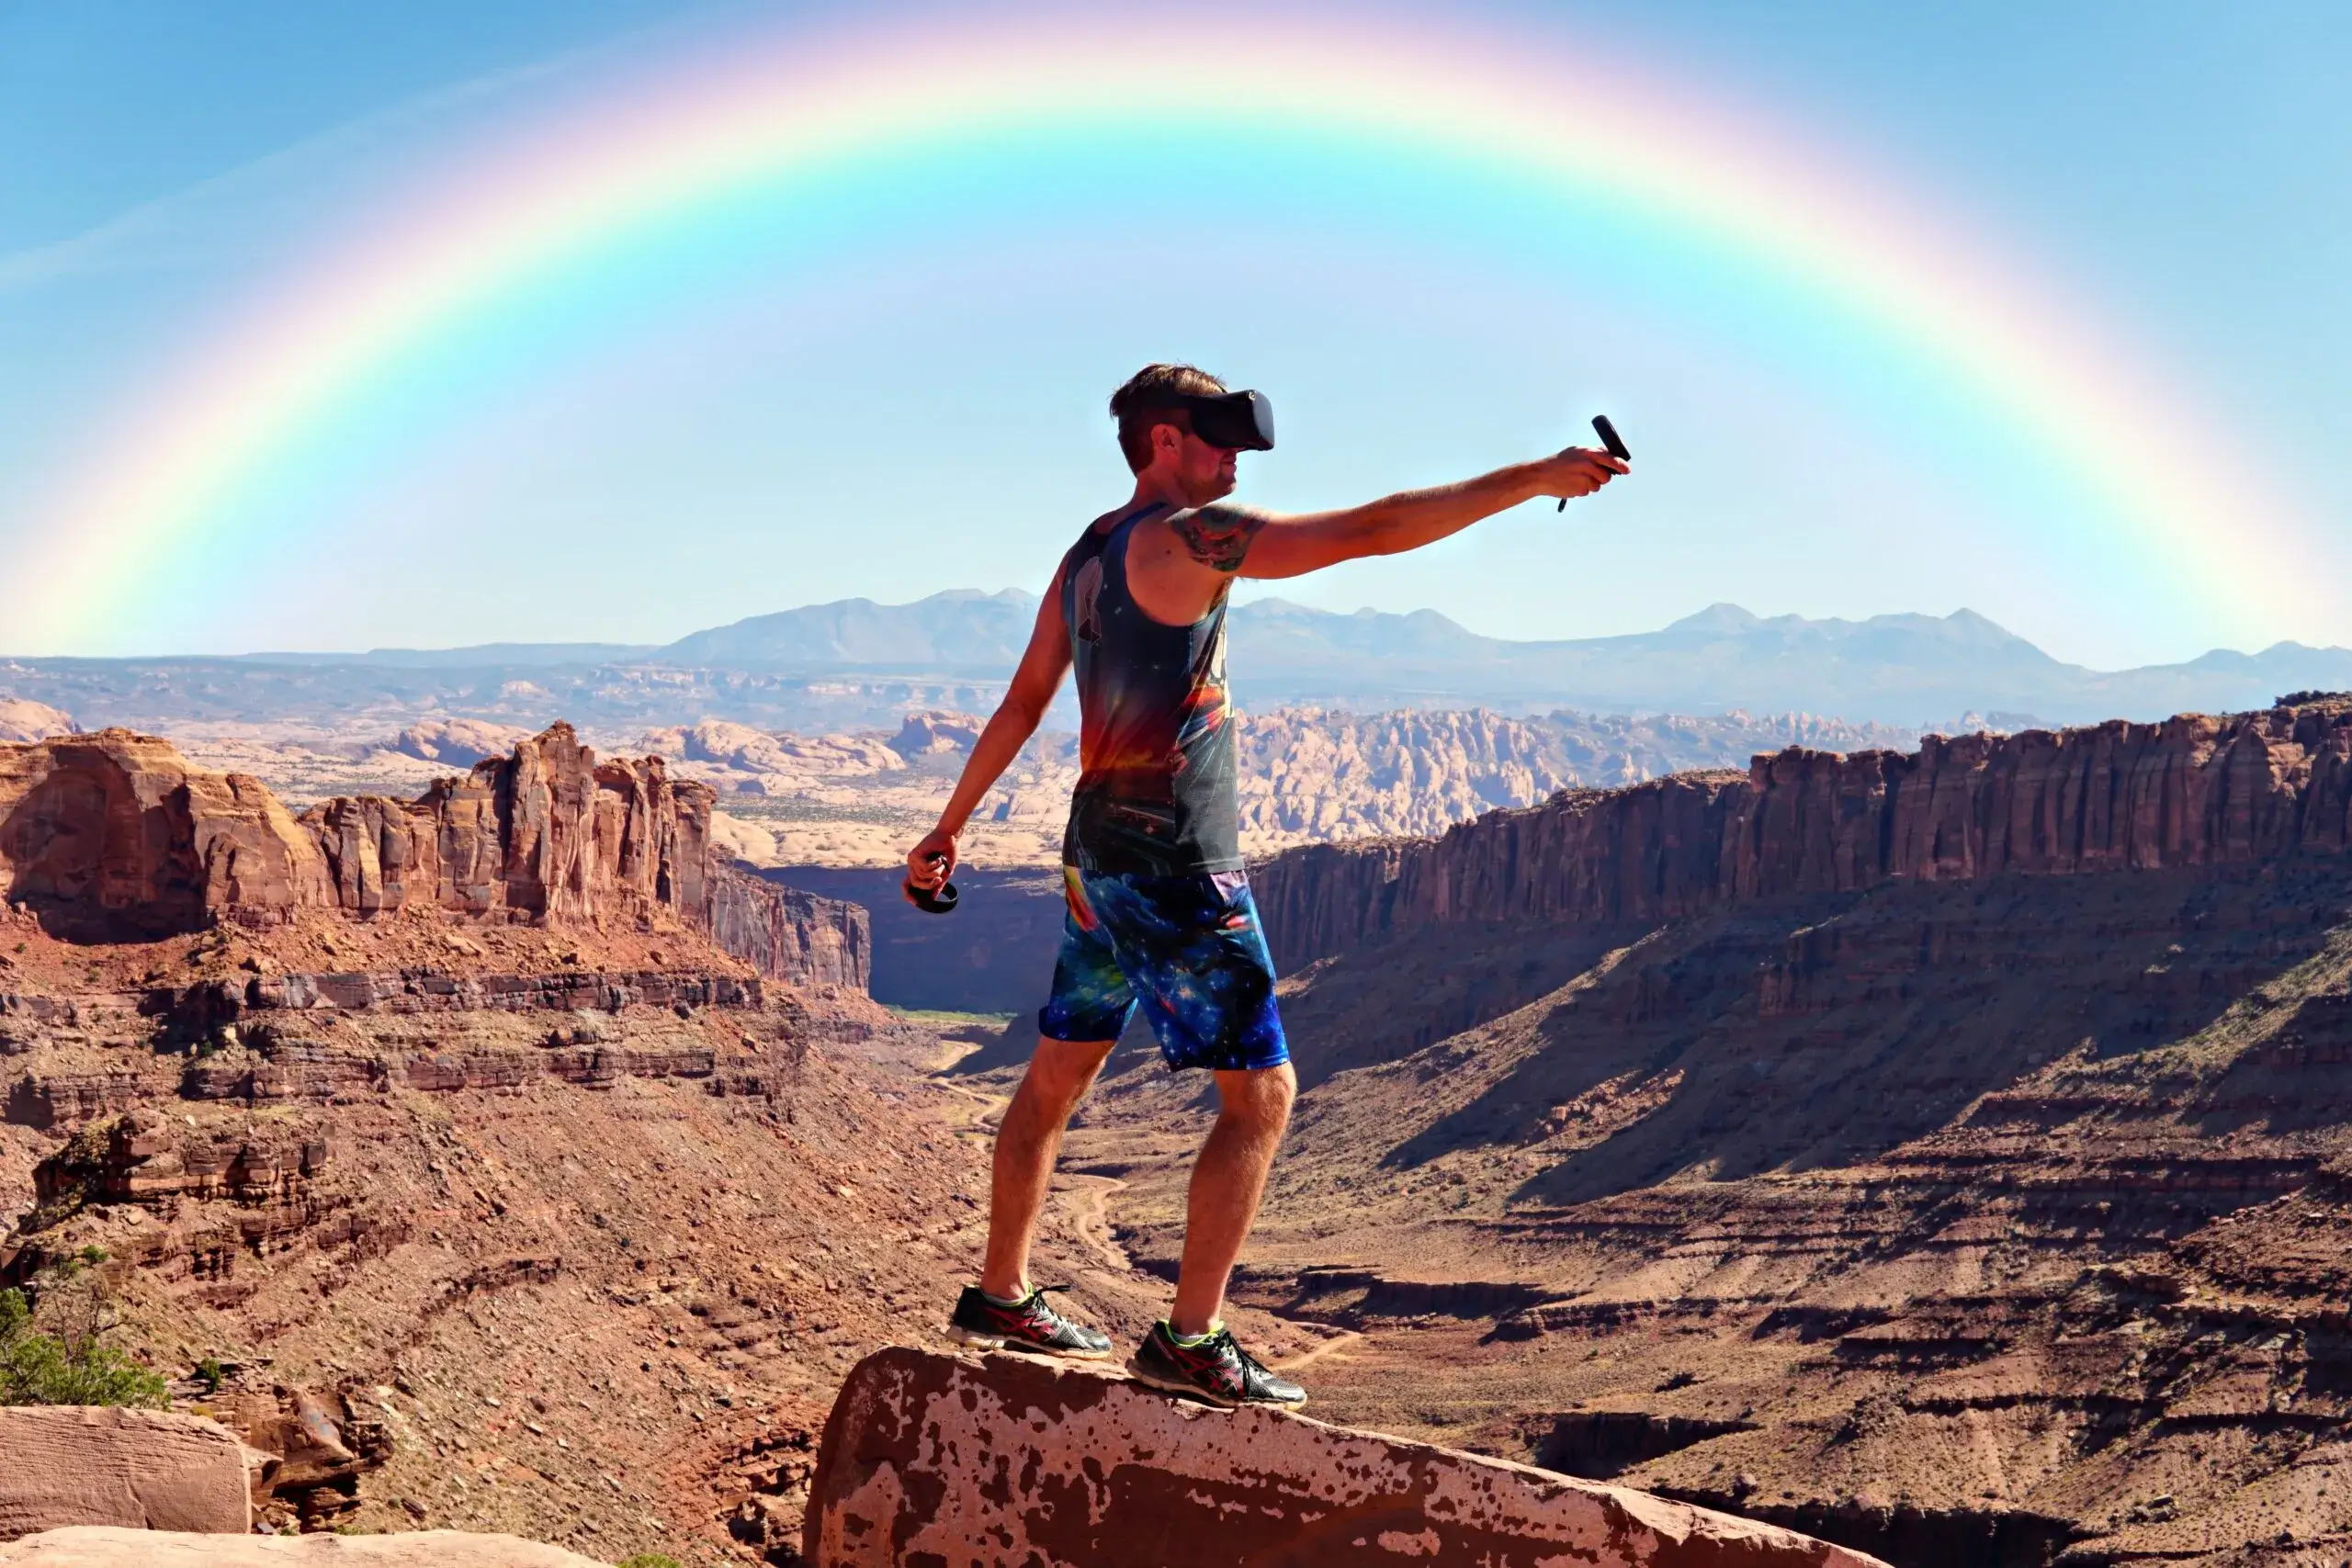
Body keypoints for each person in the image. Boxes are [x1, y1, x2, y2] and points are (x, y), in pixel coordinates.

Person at [909, 363, 1627, 1407]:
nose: (1233, 462)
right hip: (1176, 863)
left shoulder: (1088, 553)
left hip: (1097, 852)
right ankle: (1191, 1338)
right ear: (1161, 440)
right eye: (1215, 442)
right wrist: (1536, 477)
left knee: (1059, 1070)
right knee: (1262, 1096)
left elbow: (1024, 700)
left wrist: (948, 825)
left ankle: (1002, 1293)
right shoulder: (1186, 538)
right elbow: (1370, 530)